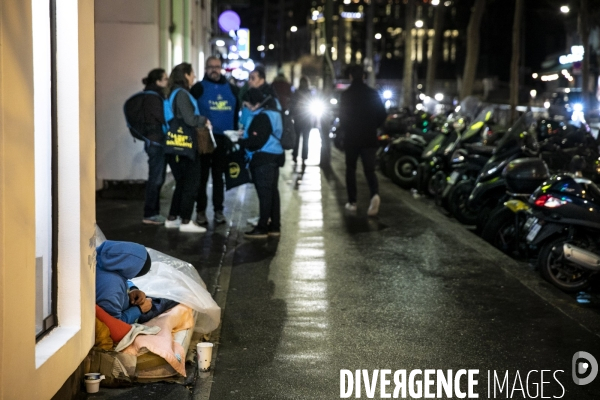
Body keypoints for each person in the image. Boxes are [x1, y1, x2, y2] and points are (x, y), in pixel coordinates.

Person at [190, 56, 239, 225]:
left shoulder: (232, 89)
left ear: (221, 68)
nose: (214, 70)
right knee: (202, 177)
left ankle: (219, 211)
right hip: (204, 139)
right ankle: (201, 211)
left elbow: (236, 112)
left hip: (223, 140)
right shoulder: (197, 88)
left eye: (217, 67)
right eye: (211, 67)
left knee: (219, 177)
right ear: (205, 68)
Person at [164, 62, 209, 233]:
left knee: (182, 183)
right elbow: (189, 119)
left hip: (174, 144)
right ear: (185, 75)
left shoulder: (172, 93)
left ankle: (172, 218)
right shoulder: (182, 94)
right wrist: (203, 120)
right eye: (192, 74)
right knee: (192, 182)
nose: (194, 77)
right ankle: (186, 220)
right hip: (185, 145)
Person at [338, 65, 387, 216]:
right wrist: (373, 126)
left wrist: (347, 128)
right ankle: (375, 194)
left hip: (352, 138)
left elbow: (342, 117)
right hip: (369, 137)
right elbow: (382, 114)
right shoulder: (373, 93)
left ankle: (352, 202)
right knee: (370, 169)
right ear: (364, 77)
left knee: (351, 169)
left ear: (351, 77)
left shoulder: (346, 95)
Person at [238, 88, 284, 239]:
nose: (247, 108)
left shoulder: (262, 117)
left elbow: (256, 142)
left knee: (264, 193)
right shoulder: (275, 112)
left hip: (264, 158)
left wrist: (240, 141)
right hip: (275, 156)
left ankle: (262, 227)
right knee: (272, 193)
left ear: (255, 103)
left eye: (247, 105)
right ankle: (274, 226)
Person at [96, 240, 153, 323]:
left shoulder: (102, 258)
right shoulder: (111, 286)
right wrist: (139, 310)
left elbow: (123, 279)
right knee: (165, 303)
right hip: (126, 316)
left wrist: (133, 288)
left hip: (124, 302)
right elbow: (113, 324)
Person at [141, 68, 169, 225]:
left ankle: (153, 213)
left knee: (157, 178)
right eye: (164, 79)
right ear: (158, 81)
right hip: (156, 142)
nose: (166, 82)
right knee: (156, 179)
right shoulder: (153, 97)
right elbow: (161, 118)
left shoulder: (151, 94)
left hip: (154, 141)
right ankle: (150, 213)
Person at [289, 76, 313, 169]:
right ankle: (304, 158)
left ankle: (295, 156)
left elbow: (292, 104)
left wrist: (292, 115)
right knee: (306, 140)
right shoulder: (310, 93)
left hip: (298, 118)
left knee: (297, 138)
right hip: (307, 119)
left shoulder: (296, 92)